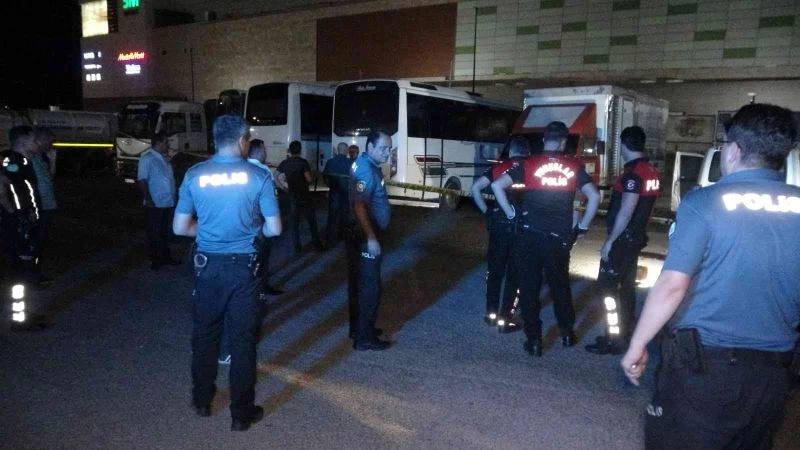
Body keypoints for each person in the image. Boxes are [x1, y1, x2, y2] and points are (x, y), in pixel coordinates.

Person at [621, 104, 800, 449]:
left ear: (733, 150)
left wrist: (637, 343)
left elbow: (672, 285)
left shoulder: (704, 202)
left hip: (706, 369)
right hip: (775, 373)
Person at [173, 115, 282, 432]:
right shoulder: (258, 176)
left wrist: (209, 231)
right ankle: (241, 414)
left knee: (205, 336)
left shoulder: (195, 174)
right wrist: (252, 231)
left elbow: (180, 227)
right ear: (242, 141)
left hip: (207, 267)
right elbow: (274, 228)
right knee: (243, 342)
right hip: (243, 269)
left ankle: (202, 400)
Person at [492, 121, 599, 357]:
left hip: (529, 235)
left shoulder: (529, 164)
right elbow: (594, 196)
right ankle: (567, 333)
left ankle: (534, 340)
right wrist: (582, 227)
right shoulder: (574, 166)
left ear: (544, 140)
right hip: (557, 238)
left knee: (529, 288)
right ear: (564, 142)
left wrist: (510, 214)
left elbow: (497, 186)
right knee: (560, 286)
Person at [585, 126, 661, 355]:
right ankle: (625, 334)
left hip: (623, 240)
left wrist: (610, 241)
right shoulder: (651, 171)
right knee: (626, 290)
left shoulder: (633, 174)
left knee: (607, 290)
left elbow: (626, 212)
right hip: (635, 238)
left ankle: (613, 339)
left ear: (624, 145)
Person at [471, 136, 529, 332]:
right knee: (515, 273)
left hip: (498, 227)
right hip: (521, 227)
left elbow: (475, 188)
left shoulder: (498, 168)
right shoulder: (530, 169)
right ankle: (506, 318)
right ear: (528, 153)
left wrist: (486, 211)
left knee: (494, 272)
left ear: (511, 151)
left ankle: (491, 314)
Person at [345, 130, 392, 351]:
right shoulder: (366, 169)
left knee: (358, 284)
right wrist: (371, 237)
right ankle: (364, 338)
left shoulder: (364, 164)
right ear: (370, 147)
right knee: (370, 287)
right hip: (365, 233)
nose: (387, 153)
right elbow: (359, 205)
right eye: (383, 148)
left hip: (360, 232)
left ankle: (359, 328)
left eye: (389, 148)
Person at [1, 126, 48, 330]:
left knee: (26, 271)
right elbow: (2, 189)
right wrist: (16, 216)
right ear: (22, 139)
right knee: (19, 273)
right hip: (19, 226)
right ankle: (19, 320)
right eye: (33, 139)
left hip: (27, 222)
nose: (37, 143)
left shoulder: (23, 161)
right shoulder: (12, 161)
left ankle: (24, 313)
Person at [137, 131, 179, 270]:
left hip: (167, 202)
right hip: (155, 203)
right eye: (166, 142)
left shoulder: (164, 159)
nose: (168, 145)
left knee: (165, 232)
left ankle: (166, 257)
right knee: (154, 233)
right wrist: (148, 199)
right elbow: (142, 180)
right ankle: (155, 260)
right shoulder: (147, 159)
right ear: (159, 142)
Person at [276, 140, 324, 253]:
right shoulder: (303, 162)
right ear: (300, 150)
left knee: (294, 223)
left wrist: (283, 187)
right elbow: (308, 179)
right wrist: (312, 177)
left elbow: (275, 176)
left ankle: (297, 247)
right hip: (304, 195)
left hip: (292, 195)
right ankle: (316, 243)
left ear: (290, 150)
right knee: (311, 221)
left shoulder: (285, 163)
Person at [29, 127, 58, 283]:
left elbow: (49, 180)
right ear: (41, 140)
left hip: (48, 205)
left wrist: (52, 161)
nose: (51, 145)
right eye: (50, 141)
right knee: (36, 241)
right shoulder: (31, 159)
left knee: (41, 240)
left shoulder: (41, 158)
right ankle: (32, 273)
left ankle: (35, 271)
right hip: (39, 206)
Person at [323, 142, 352, 246]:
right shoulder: (351, 163)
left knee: (332, 216)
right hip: (346, 194)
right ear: (346, 151)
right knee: (344, 215)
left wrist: (330, 186)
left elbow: (325, 177)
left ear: (338, 150)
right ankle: (342, 236)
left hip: (334, 192)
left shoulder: (330, 162)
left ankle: (330, 239)